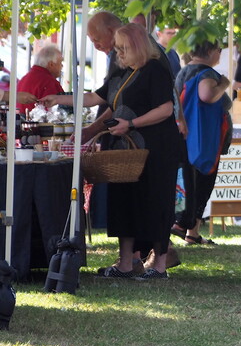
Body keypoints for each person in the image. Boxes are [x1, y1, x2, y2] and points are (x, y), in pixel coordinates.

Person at [43, 23, 183, 279]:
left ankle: (160, 265)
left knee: (156, 201)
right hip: (126, 149)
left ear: (138, 46)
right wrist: (60, 98)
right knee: (124, 200)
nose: (119, 53)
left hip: (157, 147)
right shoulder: (120, 70)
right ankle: (127, 263)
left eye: (124, 49)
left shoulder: (155, 70)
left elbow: (165, 109)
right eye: (117, 49)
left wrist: (131, 124)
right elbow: (97, 97)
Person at [172, 41, 232, 246]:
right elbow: (206, 95)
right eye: (218, 50)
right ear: (208, 51)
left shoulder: (184, 71)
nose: (220, 54)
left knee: (188, 181)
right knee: (202, 182)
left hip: (186, 136)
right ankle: (187, 226)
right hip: (203, 137)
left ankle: (192, 231)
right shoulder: (207, 73)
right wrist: (224, 84)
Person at [16, 44, 65, 113]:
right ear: (51, 64)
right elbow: (57, 113)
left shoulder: (24, 78)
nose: (62, 66)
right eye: (60, 62)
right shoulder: (48, 82)